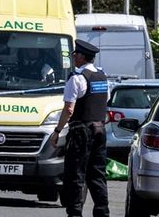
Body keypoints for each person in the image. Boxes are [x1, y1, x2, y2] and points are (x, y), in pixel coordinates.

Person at [49, 39, 109, 217]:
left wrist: (58, 131)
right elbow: (103, 101)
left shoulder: (77, 78)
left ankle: (75, 213)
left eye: (76, 53)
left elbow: (69, 109)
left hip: (81, 131)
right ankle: (102, 211)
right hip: (99, 129)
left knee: (76, 174)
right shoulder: (102, 76)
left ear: (82, 57)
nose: (74, 56)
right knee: (97, 174)